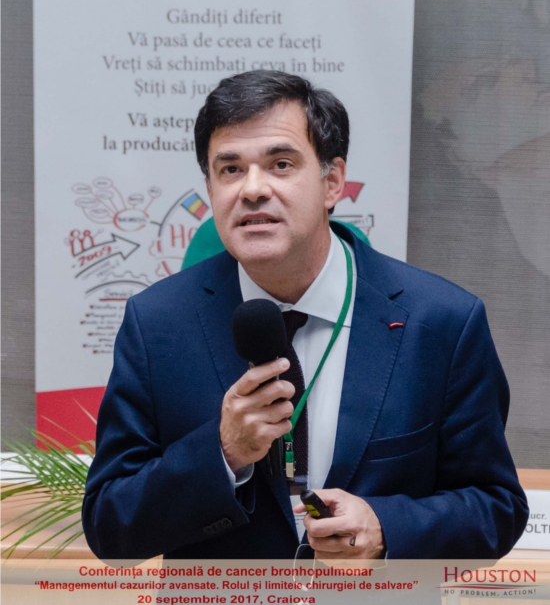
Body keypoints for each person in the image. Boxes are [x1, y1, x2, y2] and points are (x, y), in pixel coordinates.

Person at [82, 70, 528, 561]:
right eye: (230, 169)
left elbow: (496, 507)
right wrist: (223, 453)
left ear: (332, 182)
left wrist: (387, 529)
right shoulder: (157, 324)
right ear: (210, 187)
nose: (252, 189)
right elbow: (109, 526)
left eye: (280, 164)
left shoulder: (442, 322)